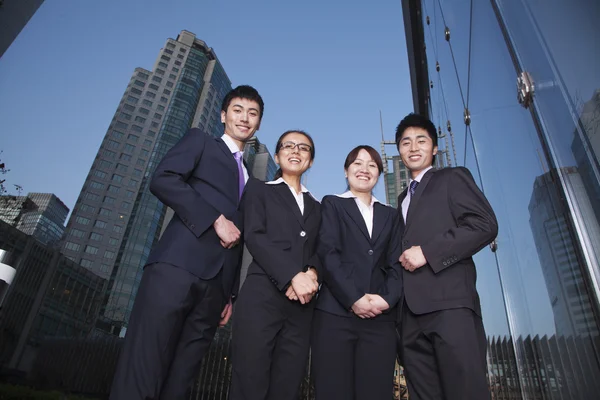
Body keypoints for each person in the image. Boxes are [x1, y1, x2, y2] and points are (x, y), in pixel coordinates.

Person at [109, 85, 264, 400]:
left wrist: (230, 294)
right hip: (176, 269)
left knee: (182, 379)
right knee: (144, 366)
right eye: (238, 110)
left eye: (253, 113)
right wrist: (215, 219)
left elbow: (243, 235)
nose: (245, 118)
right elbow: (163, 178)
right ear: (223, 115)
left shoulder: (250, 176)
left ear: (258, 123)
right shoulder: (201, 142)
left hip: (216, 288)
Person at [395, 113, 498, 400]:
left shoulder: (452, 178)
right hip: (411, 320)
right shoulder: (402, 199)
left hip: (450, 309)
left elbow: (484, 225)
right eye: (406, 142)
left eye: (421, 140)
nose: (413, 147)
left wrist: (427, 252)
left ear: (435, 149)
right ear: (400, 151)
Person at [229, 130, 321, 400]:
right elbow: (255, 236)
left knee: (287, 385)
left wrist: (312, 274)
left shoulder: (319, 206)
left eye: (303, 148)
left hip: (302, 307)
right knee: (250, 381)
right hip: (262, 298)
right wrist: (293, 275)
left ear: (311, 161)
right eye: (288, 146)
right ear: (279, 155)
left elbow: (323, 249)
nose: (295, 151)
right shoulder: (258, 189)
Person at [311, 145, 403, 400]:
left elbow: (397, 262)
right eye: (358, 163)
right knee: (333, 390)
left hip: (380, 318)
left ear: (379, 174)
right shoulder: (332, 204)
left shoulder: (391, 215)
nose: (364, 169)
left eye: (372, 165)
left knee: (376, 392)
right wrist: (354, 298)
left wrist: (386, 299)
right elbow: (328, 253)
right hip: (335, 315)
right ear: (346, 171)